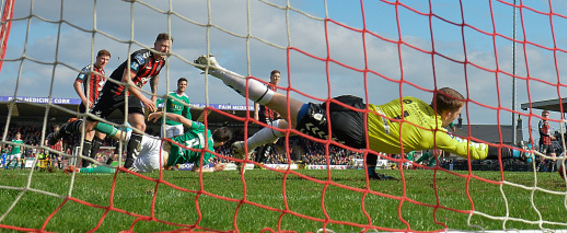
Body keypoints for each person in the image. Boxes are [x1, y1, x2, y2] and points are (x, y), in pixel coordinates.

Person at [193, 55, 532, 179]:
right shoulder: (436, 135)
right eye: (458, 113)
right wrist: (516, 152)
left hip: (354, 105)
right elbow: (478, 151)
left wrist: (370, 171)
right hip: (351, 129)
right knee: (280, 104)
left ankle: (243, 147)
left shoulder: (414, 101)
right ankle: (221, 71)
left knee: (288, 115)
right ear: (450, 112)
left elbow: (386, 131)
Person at [50, 33, 173, 170]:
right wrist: (144, 99)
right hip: (113, 92)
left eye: (168, 47)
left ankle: (129, 165)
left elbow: (154, 76)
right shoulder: (140, 57)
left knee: (140, 125)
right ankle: (63, 130)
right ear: (155, 44)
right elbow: (126, 80)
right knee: (88, 127)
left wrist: (154, 97)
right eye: (163, 46)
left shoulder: (161, 61)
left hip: (131, 95)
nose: (165, 49)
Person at [63, 111, 231, 174]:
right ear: (222, 144)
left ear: (215, 131)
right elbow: (196, 170)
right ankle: (81, 171)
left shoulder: (204, 129)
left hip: (157, 143)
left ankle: (87, 121)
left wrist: (161, 113)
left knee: (120, 135)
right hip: (159, 160)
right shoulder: (209, 151)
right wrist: (213, 169)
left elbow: (180, 118)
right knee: (121, 170)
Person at [73, 49, 111, 167]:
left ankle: (90, 160)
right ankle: (85, 164)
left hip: (100, 107)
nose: (104, 61)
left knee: (102, 134)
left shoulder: (103, 72)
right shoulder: (89, 69)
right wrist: (84, 99)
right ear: (97, 58)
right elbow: (77, 83)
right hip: (89, 106)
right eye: (102, 59)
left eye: (107, 60)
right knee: (90, 132)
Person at [253, 70, 281, 165]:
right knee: (272, 136)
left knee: (267, 139)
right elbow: (256, 98)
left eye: (278, 77)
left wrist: (277, 111)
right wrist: (256, 113)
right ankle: (260, 160)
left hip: (271, 117)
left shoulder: (275, 88)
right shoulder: (266, 87)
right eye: (275, 76)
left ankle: (259, 161)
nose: (277, 78)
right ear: (271, 77)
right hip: (265, 115)